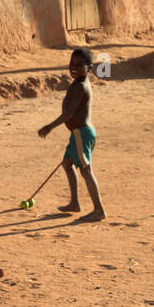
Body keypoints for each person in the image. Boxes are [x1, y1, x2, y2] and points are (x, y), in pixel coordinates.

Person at [38, 48, 106, 220]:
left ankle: (99, 210)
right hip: (77, 134)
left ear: (89, 68)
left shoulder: (80, 86)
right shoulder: (77, 84)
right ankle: (75, 203)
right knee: (67, 164)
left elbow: (69, 114)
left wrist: (50, 126)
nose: (73, 68)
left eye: (78, 65)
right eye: (71, 63)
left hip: (81, 134)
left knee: (86, 170)